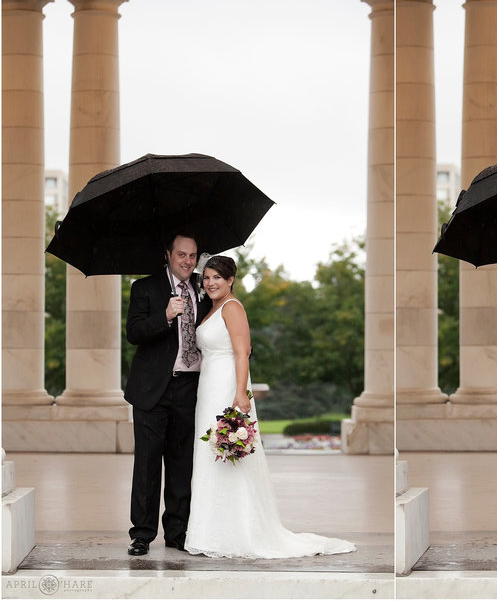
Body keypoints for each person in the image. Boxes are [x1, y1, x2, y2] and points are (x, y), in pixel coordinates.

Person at [184, 255, 356, 558]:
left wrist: (240, 394)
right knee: (209, 455)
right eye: (207, 277)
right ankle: (210, 532)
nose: (210, 282)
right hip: (208, 386)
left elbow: (242, 352)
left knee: (229, 455)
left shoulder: (232, 308)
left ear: (231, 279)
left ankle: (236, 533)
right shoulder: (211, 309)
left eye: (217, 278)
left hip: (227, 385)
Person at [125, 233, 212, 556]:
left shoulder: (206, 288)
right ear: (168, 255)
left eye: (192, 255)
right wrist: (164, 315)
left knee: (181, 465)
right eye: (181, 255)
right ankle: (142, 534)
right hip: (152, 390)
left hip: (190, 388)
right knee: (147, 465)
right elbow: (133, 333)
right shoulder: (144, 288)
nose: (188, 261)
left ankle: (177, 532)